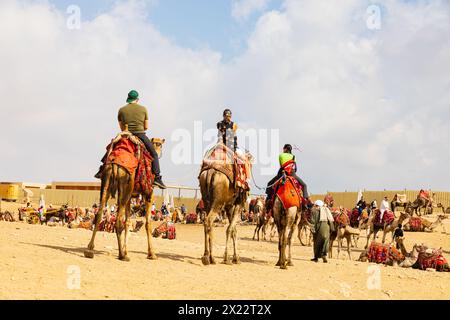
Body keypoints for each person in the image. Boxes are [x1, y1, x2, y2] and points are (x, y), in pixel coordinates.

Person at [95, 90, 166, 189]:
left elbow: (121, 127)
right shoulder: (143, 109)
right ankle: (157, 178)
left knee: (111, 147)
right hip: (140, 134)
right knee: (154, 154)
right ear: (137, 99)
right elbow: (146, 127)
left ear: (128, 99)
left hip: (125, 134)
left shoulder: (121, 110)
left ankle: (102, 170)